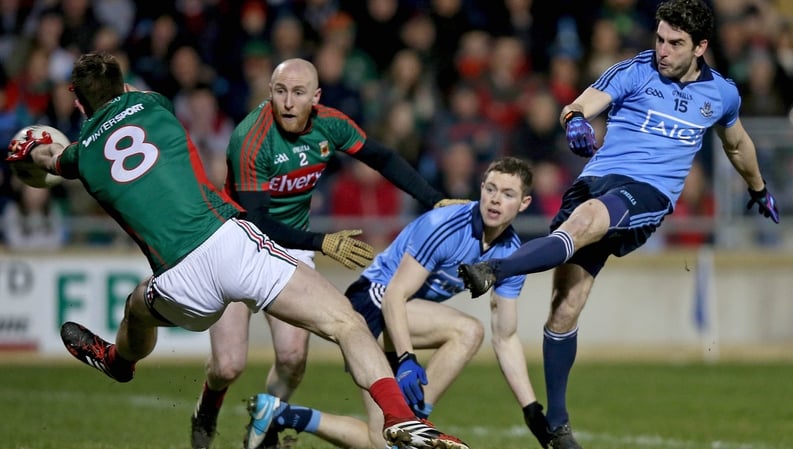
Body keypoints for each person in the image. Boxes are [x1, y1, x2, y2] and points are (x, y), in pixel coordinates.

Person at [5, 52, 468, 449]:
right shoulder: (156, 105)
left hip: (179, 280)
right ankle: (397, 417)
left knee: (138, 308)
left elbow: (47, 161)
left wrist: (30, 149)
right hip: (232, 243)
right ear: (125, 87)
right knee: (344, 325)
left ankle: (119, 362)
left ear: (77, 101)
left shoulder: (82, 155)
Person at [457, 1, 780, 448]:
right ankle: (559, 425)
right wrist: (574, 123)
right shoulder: (634, 70)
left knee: (586, 221)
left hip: (646, 194)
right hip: (597, 181)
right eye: (660, 39)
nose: (663, 50)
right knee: (566, 306)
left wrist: (759, 188)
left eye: (676, 44)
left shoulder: (721, 95)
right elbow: (581, 104)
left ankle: (495, 269)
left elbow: (738, 144)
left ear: (701, 47)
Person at [193, 57, 467, 449]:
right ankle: (209, 400)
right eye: (280, 91)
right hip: (236, 243)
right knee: (228, 364)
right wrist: (324, 242)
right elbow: (256, 223)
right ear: (270, 91)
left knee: (292, 359)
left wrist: (434, 200)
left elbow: (382, 158)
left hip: (290, 247)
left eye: (298, 93)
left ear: (315, 97)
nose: (288, 102)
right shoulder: (250, 138)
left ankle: (265, 425)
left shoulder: (330, 124)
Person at [245, 156, 552, 449]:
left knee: (381, 441)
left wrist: (531, 408)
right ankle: (416, 420)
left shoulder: (512, 254)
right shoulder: (444, 225)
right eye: (490, 189)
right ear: (481, 187)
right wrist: (407, 359)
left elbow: (506, 335)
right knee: (468, 331)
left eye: (508, 193)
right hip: (373, 305)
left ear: (525, 203)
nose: (496, 199)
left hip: (403, 315)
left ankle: (278, 414)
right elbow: (395, 294)